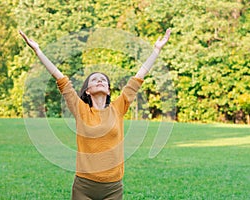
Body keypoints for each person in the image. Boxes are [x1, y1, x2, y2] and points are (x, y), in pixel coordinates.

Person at [19, 28, 171, 200]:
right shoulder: (81, 109)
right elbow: (61, 79)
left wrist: (156, 50)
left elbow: (139, 77)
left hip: (113, 187)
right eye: (94, 79)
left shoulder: (118, 108)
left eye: (103, 80)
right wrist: (38, 51)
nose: (100, 80)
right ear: (88, 91)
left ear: (107, 90)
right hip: (84, 186)